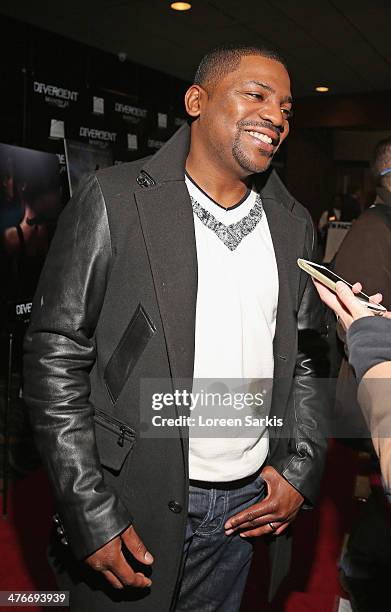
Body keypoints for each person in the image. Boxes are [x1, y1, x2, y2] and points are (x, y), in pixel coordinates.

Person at [23, 43, 328, 612]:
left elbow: (310, 352)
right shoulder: (113, 198)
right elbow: (55, 354)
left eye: (286, 107)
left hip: (245, 509)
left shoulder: (292, 224)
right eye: (256, 95)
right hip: (133, 495)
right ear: (197, 100)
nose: (276, 116)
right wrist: (88, 507)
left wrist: (301, 465)